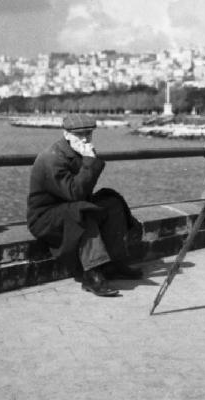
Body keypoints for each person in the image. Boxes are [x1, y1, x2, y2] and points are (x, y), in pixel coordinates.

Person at [27, 113, 143, 297]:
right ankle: (92, 273)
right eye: (79, 135)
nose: (85, 139)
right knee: (83, 210)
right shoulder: (52, 158)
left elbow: (82, 191)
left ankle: (113, 263)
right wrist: (90, 161)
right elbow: (75, 194)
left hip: (70, 207)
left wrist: (89, 160)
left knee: (111, 201)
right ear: (66, 134)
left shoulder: (79, 151)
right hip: (46, 217)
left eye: (88, 134)